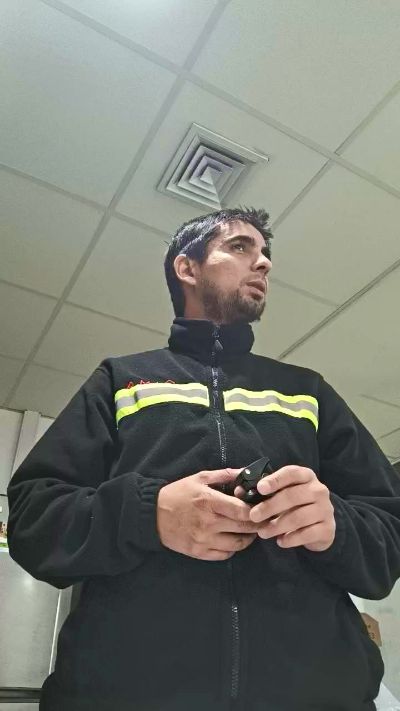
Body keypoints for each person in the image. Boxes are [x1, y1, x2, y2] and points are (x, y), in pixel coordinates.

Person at [6, 207, 400, 711]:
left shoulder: (308, 393)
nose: (264, 263)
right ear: (187, 267)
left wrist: (335, 525)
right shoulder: (120, 382)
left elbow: (389, 533)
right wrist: (149, 514)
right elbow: (33, 521)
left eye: (265, 253)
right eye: (240, 247)